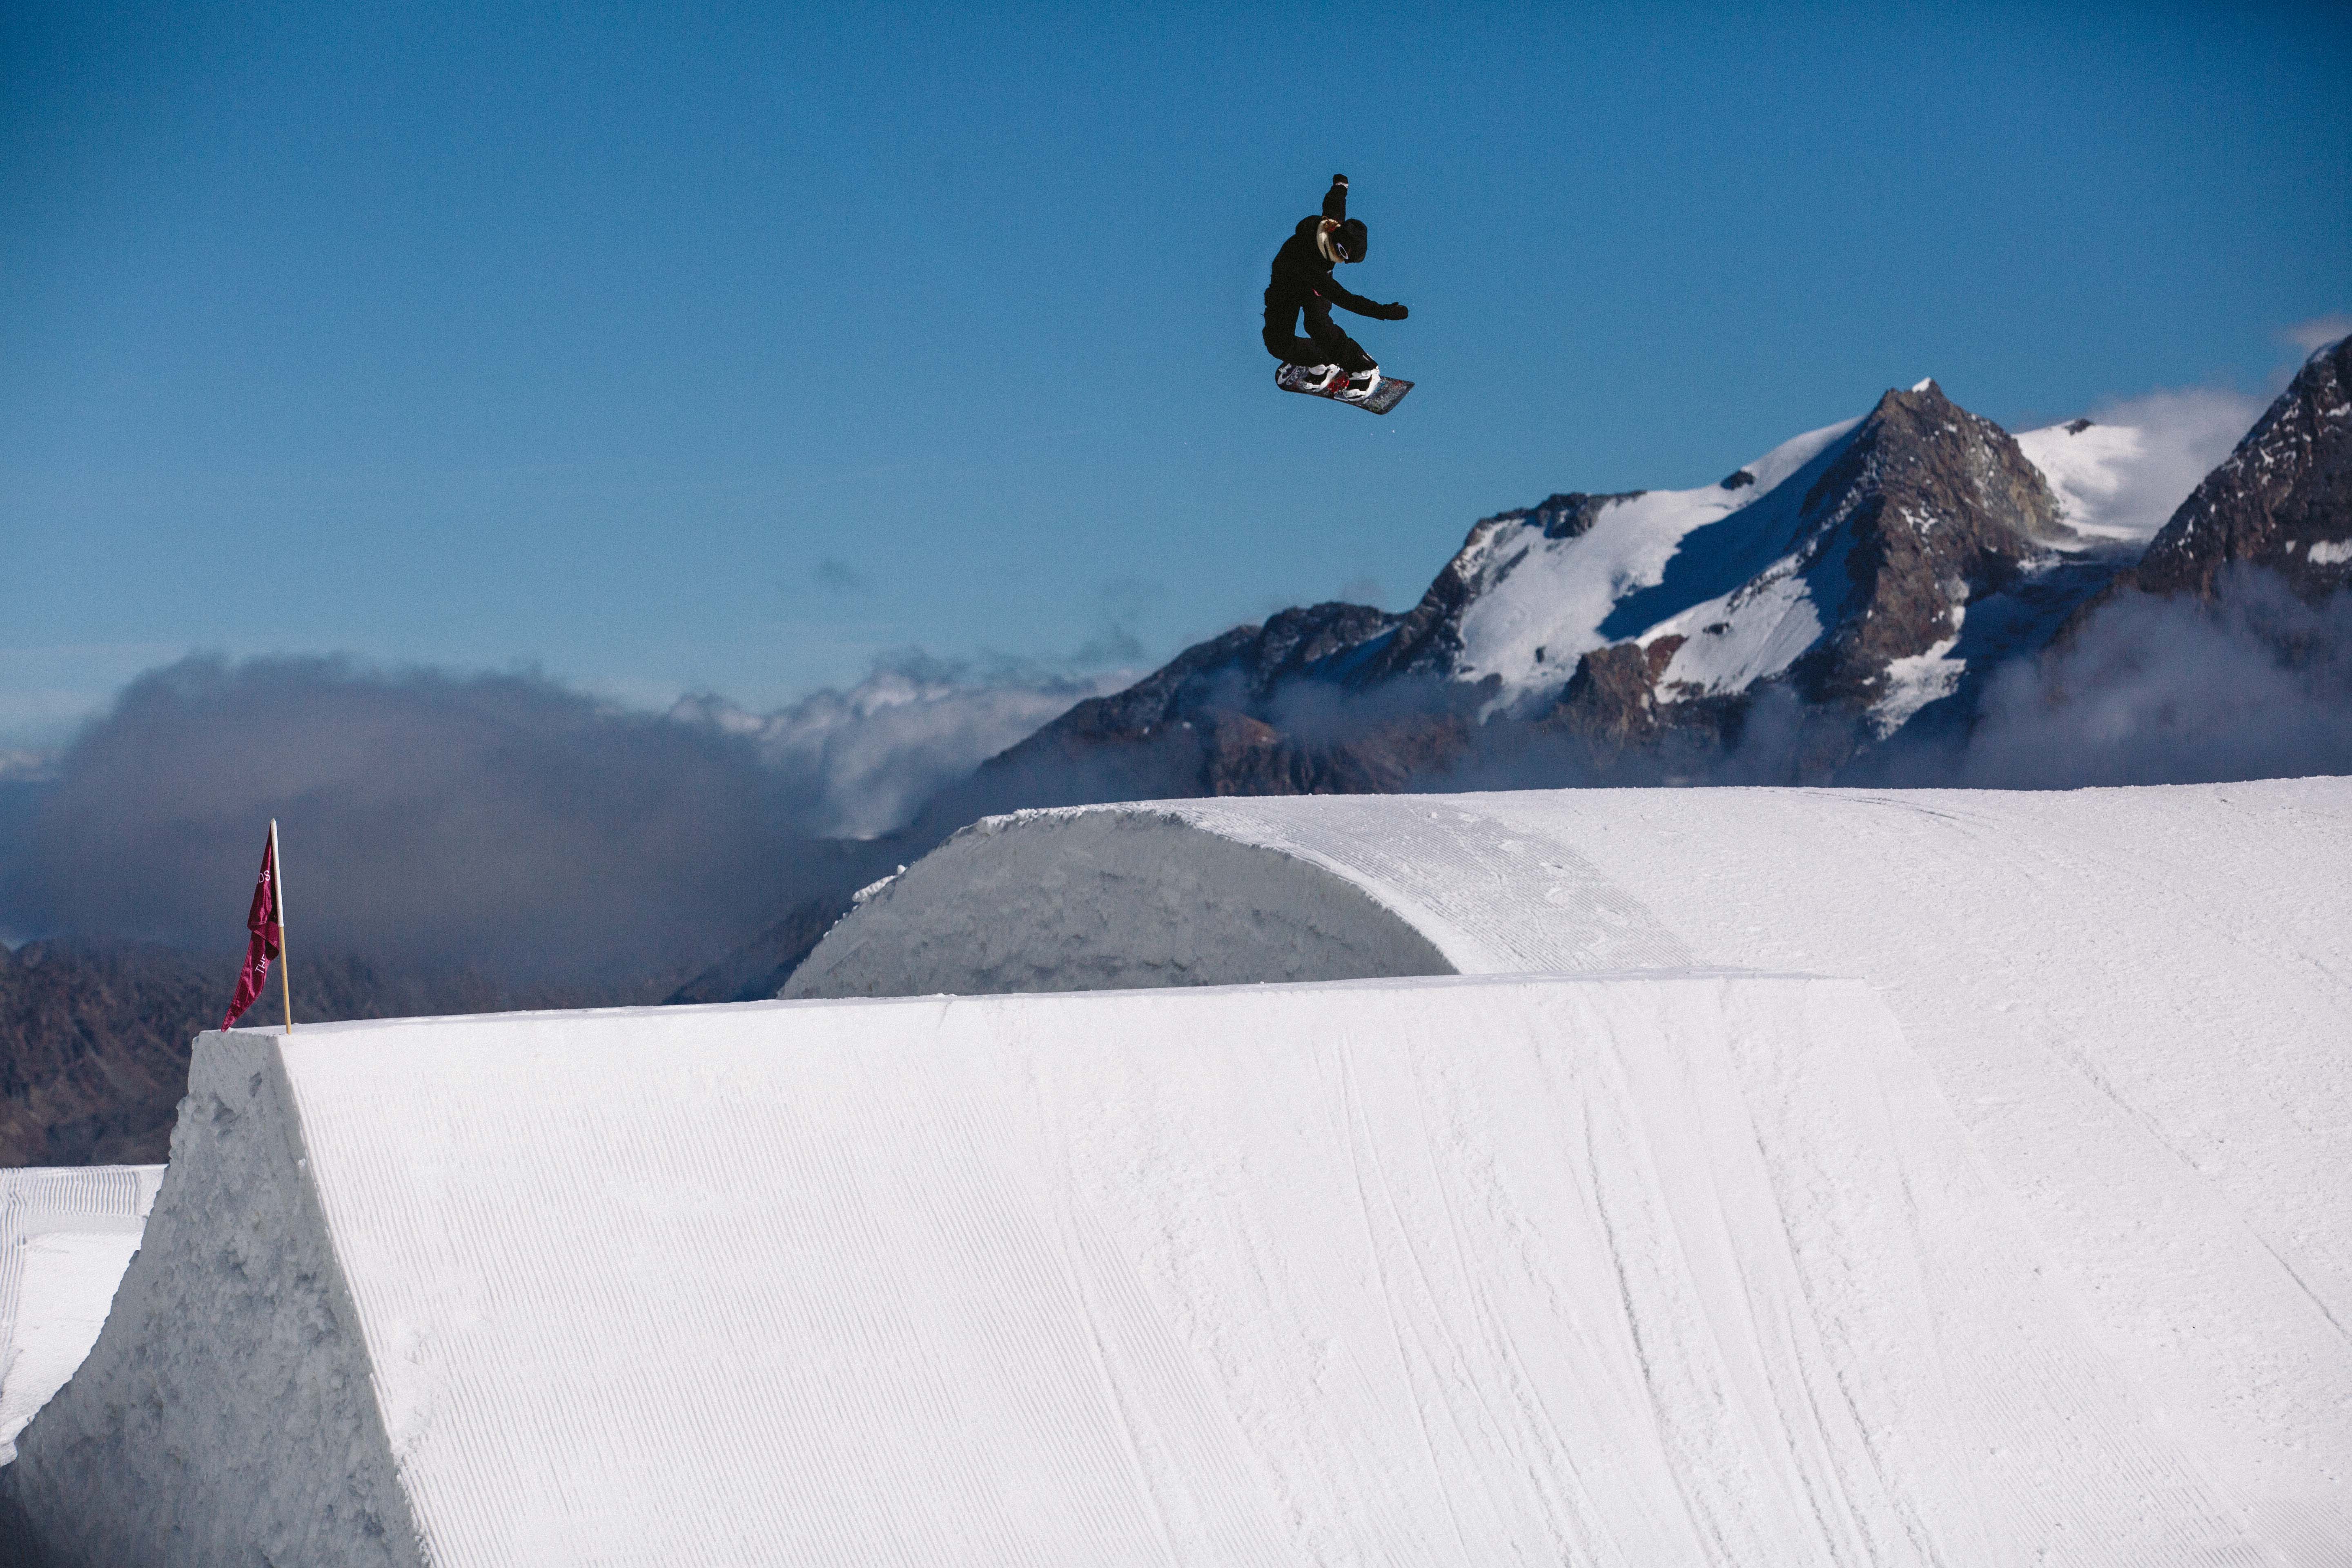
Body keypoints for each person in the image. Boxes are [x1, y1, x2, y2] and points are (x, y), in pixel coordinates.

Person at [1263, 174, 1408, 401]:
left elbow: (1335, 204)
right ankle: (1323, 362)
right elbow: (1344, 299)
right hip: (1287, 287)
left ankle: (1362, 367)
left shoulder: (1331, 225)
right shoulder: (1312, 264)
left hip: (1309, 287)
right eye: (1341, 253)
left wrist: (1340, 186)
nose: (1340, 261)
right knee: (1278, 344)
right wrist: (1383, 312)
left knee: (1317, 325)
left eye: (1346, 260)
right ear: (1337, 242)